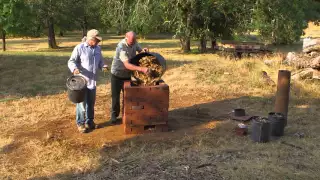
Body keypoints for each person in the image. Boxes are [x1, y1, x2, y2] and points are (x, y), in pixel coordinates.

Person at [68, 29, 107, 133]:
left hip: (92, 81)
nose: (98, 42)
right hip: (81, 82)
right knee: (81, 104)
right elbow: (71, 61)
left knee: (91, 103)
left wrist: (103, 66)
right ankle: (80, 123)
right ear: (90, 39)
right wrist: (74, 69)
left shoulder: (98, 48)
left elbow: (101, 61)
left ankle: (89, 122)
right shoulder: (79, 48)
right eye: (96, 40)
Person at [110, 31, 149, 123]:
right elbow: (127, 65)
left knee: (128, 96)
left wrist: (144, 50)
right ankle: (114, 115)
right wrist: (142, 69)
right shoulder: (121, 47)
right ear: (126, 38)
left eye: (134, 40)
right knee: (115, 97)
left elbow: (140, 51)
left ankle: (126, 114)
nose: (132, 42)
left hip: (127, 74)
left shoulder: (134, 42)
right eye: (131, 41)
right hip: (117, 74)